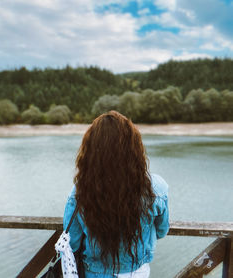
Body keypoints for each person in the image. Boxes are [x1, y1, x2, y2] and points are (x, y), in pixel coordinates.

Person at [63, 111, 169, 278]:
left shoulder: (81, 191)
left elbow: (72, 242)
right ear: (134, 148)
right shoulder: (156, 188)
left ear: (91, 151)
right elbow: (162, 230)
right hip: (137, 272)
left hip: (94, 272)